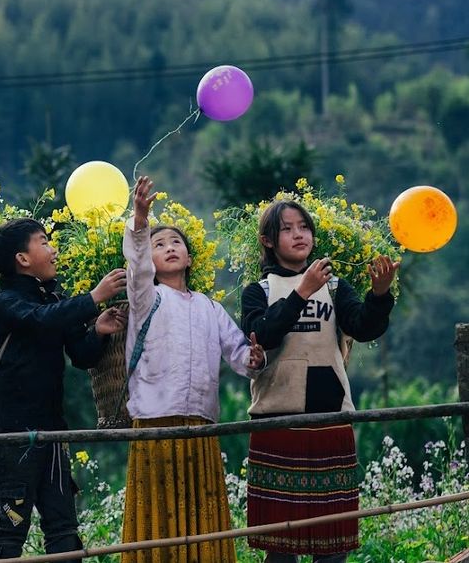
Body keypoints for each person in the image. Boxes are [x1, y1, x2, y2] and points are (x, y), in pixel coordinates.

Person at [242, 200, 399, 563]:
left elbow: (362, 326)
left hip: (330, 418)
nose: (299, 234)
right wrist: (302, 291)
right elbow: (262, 334)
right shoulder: (259, 291)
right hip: (277, 421)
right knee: (280, 549)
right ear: (267, 240)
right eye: (288, 228)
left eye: (304, 227)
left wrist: (379, 296)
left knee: (334, 544)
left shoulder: (336, 286)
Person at [120, 176, 263, 562]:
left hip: (201, 426)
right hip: (154, 424)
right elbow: (134, 267)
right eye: (158, 244)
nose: (168, 248)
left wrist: (255, 359)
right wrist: (140, 218)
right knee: (157, 520)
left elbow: (239, 354)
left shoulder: (209, 307)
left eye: (176, 243)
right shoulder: (145, 299)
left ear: (189, 257)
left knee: (202, 519)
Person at [0, 218, 126, 561]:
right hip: (12, 432)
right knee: (10, 529)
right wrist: (94, 298)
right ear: (23, 259)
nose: (53, 249)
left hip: (52, 429)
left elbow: (81, 356)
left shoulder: (55, 298)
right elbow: (40, 319)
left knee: (63, 527)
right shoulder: (7, 301)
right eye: (44, 242)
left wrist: (100, 332)